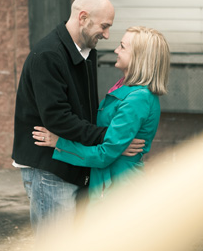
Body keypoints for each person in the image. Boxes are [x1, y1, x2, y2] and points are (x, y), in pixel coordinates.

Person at [12, 0, 143, 234]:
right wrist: (111, 139)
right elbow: (57, 119)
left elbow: (87, 111)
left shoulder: (87, 52)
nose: (106, 35)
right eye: (104, 26)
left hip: (73, 161)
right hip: (49, 168)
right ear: (83, 17)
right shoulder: (49, 55)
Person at [32, 26, 170, 204]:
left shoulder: (138, 98)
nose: (115, 50)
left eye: (122, 46)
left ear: (139, 56)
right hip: (109, 184)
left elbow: (105, 154)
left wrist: (59, 144)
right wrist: (117, 148)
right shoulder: (124, 88)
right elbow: (111, 143)